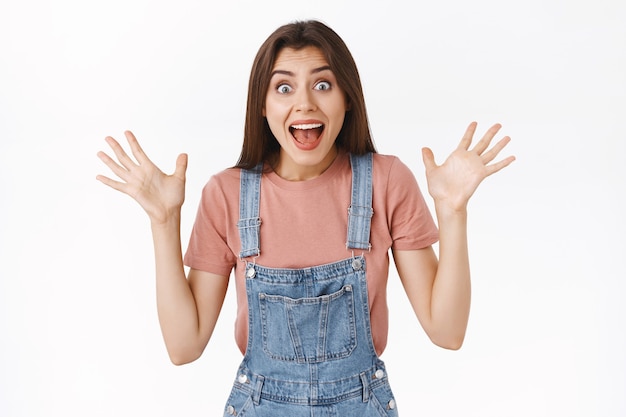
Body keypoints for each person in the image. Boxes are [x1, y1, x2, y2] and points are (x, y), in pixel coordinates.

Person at [97, 20, 514, 417]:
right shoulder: (227, 194)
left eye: (322, 84)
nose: (304, 103)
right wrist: (164, 220)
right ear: (262, 105)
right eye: (283, 87)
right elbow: (183, 347)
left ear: (346, 97)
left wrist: (453, 211)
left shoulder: (386, 182)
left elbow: (448, 332)